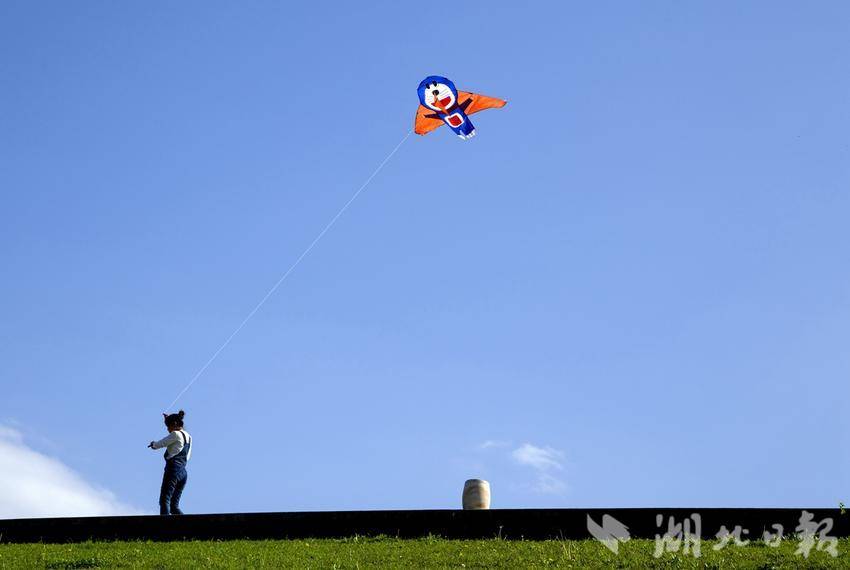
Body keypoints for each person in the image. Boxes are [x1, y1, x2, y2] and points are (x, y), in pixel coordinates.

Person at [148, 410, 192, 515]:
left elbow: (159, 444)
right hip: (183, 472)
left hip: (173, 470)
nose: (168, 429)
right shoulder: (189, 437)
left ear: (175, 424)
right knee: (174, 506)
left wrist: (153, 444)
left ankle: (164, 525)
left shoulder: (175, 434)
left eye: (168, 426)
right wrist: (168, 420)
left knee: (164, 500)